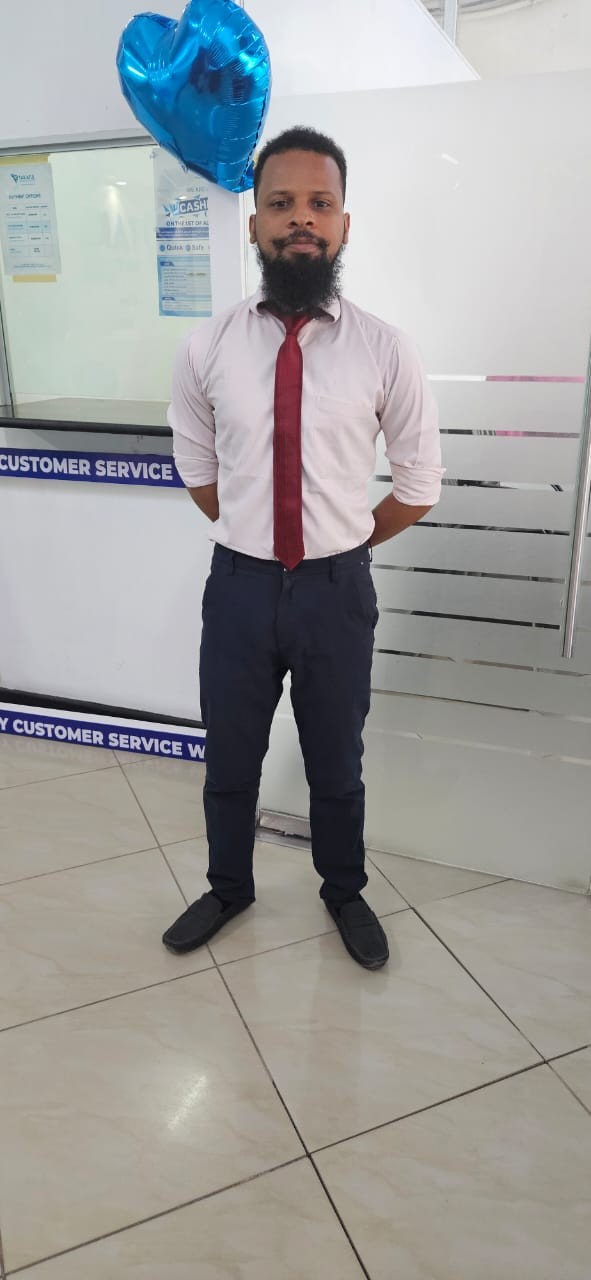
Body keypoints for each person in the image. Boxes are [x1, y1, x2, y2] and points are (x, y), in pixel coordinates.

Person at [163, 126, 442, 970]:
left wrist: (343, 542)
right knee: (229, 754)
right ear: (253, 223)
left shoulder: (383, 348)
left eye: (319, 203)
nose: (301, 220)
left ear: (343, 223)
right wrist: (255, 532)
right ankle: (227, 887)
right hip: (239, 589)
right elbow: (198, 469)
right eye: (280, 203)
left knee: (335, 760)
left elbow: (417, 484)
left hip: (334, 593)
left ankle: (343, 889)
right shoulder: (206, 345)